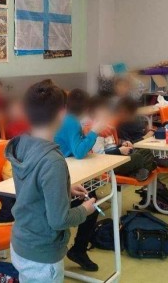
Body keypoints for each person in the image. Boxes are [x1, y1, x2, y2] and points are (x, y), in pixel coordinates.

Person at [5, 80, 96, 283]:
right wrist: (85, 210)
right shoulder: (53, 161)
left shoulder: (22, 144)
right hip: (42, 253)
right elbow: (59, 220)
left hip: (21, 242)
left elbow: (32, 187)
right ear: (63, 114)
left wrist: (64, 189)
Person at [54, 88, 108, 271]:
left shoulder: (66, 119)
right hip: (64, 173)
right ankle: (78, 249)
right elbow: (78, 152)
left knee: (91, 196)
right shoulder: (70, 121)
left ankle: (79, 248)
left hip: (67, 170)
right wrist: (94, 131)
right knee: (91, 201)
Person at [86, 97, 152, 181]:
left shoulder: (108, 127)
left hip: (117, 158)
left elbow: (113, 145)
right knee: (137, 157)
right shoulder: (95, 131)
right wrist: (119, 151)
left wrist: (123, 144)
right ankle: (138, 171)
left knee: (146, 151)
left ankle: (139, 171)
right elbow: (99, 155)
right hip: (108, 165)